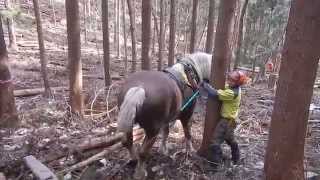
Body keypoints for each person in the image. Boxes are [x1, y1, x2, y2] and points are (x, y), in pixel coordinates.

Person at [201, 70, 247, 166]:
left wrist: (205, 85)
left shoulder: (231, 93)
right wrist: (209, 82)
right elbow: (222, 88)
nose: (228, 81)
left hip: (226, 121)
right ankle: (236, 158)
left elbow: (215, 93)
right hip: (231, 121)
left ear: (237, 83)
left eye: (231, 80)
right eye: (229, 79)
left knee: (215, 141)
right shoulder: (233, 88)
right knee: (230, 139)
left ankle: (215, 163)